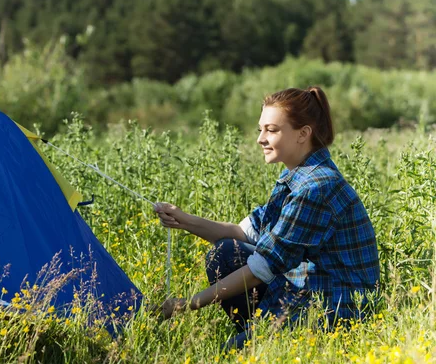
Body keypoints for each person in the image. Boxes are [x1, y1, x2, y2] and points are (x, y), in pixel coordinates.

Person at [154, 87, 380, 348]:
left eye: (271, 130)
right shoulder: (297, 175)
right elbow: (244, 233)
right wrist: (183, 220)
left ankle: (260, 337)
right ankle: (258, 331)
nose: (261, 139)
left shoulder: (316, 187)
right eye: (260, 129)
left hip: (336, 307)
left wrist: (188, 304)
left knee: (231, 352)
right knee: (225, 252)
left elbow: (260, 270)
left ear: (303, 134)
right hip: (307, 289)